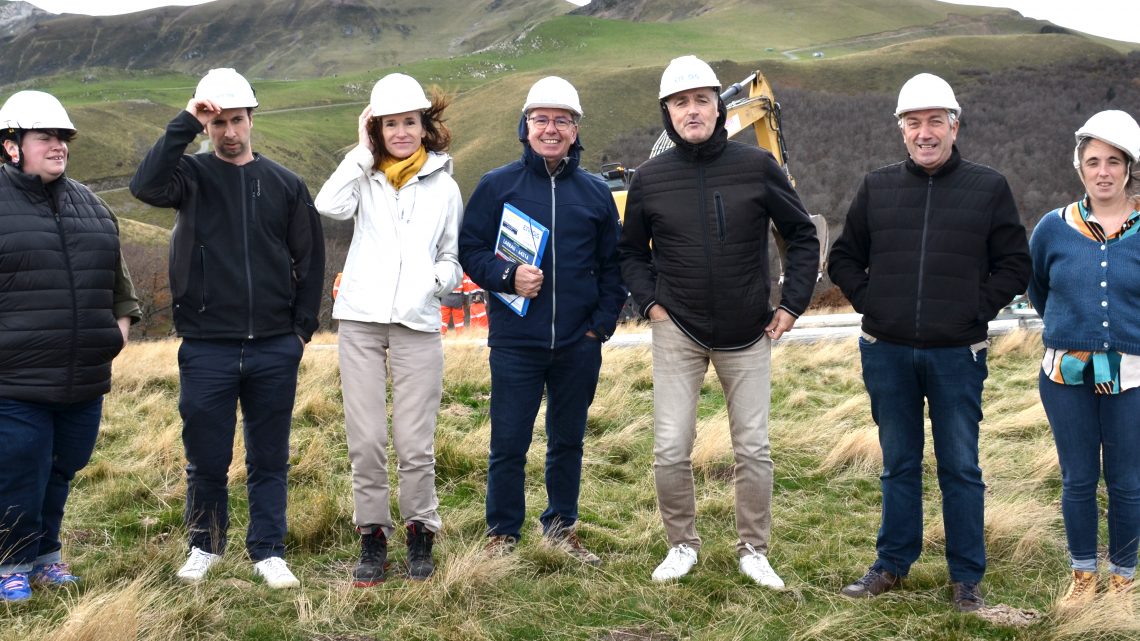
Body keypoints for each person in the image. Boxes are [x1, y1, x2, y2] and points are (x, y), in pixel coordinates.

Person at [828, 73, 1031, 611]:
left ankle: (966, 578)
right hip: (887, 351)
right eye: (913, 122)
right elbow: (843, 257)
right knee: (898, 462)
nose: (925, 132)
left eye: (935, 121)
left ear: (954, 126)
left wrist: (975, 308)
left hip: (956, 355)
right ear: (901, 130)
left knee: (960, 466)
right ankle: (892, 564)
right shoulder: (878, 186)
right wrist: (873, 303)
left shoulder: (988, 188)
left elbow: (1016, 263)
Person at [617, 55, 819, 588]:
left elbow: (801, 235)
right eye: (680, 103)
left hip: (749, 330)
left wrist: (791, 304)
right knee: (669, 448)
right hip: (677, 329)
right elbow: (631, 252)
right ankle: (681, 545)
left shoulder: (757, 168)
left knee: (752, 448)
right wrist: (651, 305)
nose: (692, 111)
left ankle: (754, 550)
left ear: (718, 107)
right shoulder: (650, 179)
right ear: (667, 113)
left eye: (701, 100)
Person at [130, 68, 325, 589]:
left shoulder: (285, 183)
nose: (228, 132)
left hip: (272, 347)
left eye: (236, 120)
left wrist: (299, 334)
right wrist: (184, 123)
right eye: (217, 123)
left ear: (251, 119)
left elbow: (310, 259)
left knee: (269, 456)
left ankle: (267, 550)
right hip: (207, 346)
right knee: (206, 457)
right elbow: (144, 185)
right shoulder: (189, 177)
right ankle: (204, 546)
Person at [458, 76, 625, 563]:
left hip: (578, 343)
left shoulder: (596, 193)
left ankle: (561, 528)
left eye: (562, 120)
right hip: (515, 342)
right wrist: (507, 276)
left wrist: (600, 327)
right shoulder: (496, 185)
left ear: (575, 131)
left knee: (567, 441)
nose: (550, 129)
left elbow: (615, 266)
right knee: (508, 443)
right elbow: (470, 251)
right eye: (541, 119)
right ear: (525, 126)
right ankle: (502, 535)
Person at [314, 73, 461, 584]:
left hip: (418, 323)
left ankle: (421, 531)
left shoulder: (444, 184)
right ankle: (372, 535)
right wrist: (359, 151)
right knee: (368, 440)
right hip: (360, 321)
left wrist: (433, 282)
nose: (401, 131)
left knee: (415, 441)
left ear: (425, 126)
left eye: (410, 122)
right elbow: (326, 206)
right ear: (376, 128)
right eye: (390, 123)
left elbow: (451, 255)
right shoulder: (364, 175)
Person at [0, 90, 140, 601]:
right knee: (19, 471)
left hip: (83, 378)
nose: (59, 145)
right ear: (12, 145)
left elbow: (118, 281)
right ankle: (8, 563)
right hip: (14, 379)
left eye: (63, 137)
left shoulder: (92, 205)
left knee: (62, 468)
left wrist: (120, 329)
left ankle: (44, 556)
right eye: (46, 137)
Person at [1028, 110, 1140, 606]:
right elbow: (1038, 290)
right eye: (1093, 161)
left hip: (1132, 376)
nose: (1103, 171)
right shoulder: (1053, 228)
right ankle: (1082, 577)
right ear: (1080, 167)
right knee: (1077, 478)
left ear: (1129, 168)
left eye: (1114, 161)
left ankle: (1122, 578)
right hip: (1065, 375)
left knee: (1126, 481)